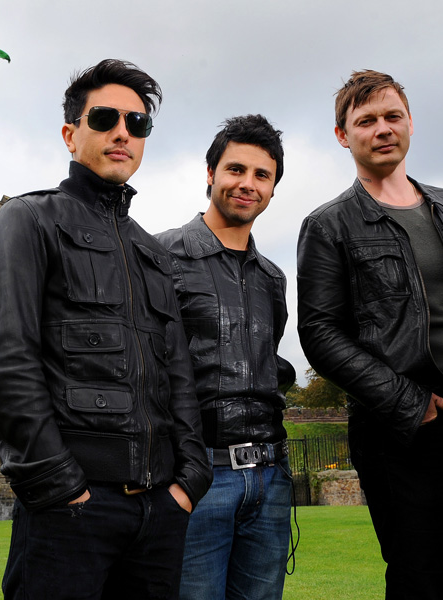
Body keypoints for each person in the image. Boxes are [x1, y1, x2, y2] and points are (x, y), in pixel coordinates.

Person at [0, 58, 212, 600]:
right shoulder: (28, 221)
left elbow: (179, 375)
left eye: (138, 123)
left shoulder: (152, 251)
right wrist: (59, 485)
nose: (122, 133)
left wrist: (189, 479)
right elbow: (8, 360)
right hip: (70, 510)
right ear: (70, 133)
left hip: (159, 509)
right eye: (105, 118)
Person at [296, 70, 443, 600]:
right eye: (366, 121)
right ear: (343, 135)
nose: (382, 129)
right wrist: (410, 402)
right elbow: (319, 332)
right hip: (402, 435)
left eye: (392, 116)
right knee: (421, 584)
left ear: (410, 124)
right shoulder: (329, 225)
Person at [156, 114, 295, 600]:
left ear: (273, 189)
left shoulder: (272, 277)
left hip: (271, 478)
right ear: (211, 173)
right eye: (236, 169)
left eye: (262, 175)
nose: (247, 184)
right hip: (198, 477)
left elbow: (268, 361)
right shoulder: (159, 256)